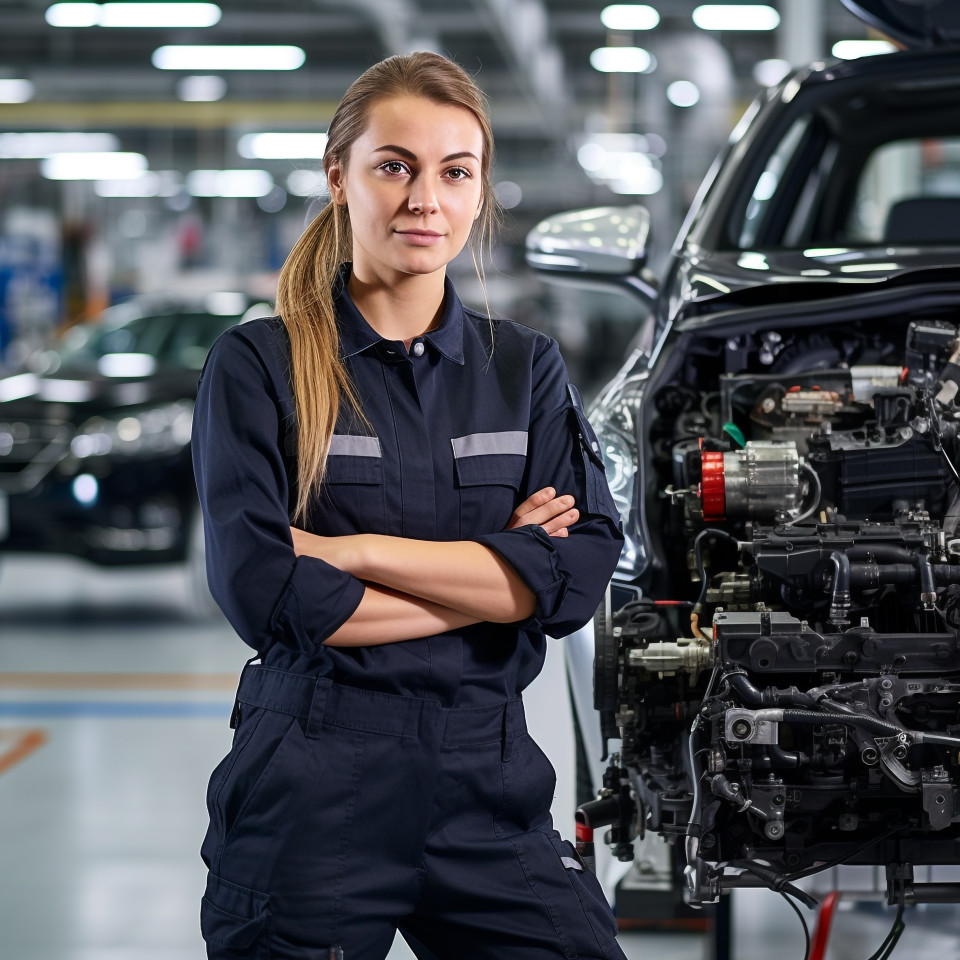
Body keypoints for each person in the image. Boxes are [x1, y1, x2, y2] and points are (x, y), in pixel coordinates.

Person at [192, 50, 626, 960]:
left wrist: (351, 554)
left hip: (489, 787)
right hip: (310, 792)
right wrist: (495, 572)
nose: (425, 198)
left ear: (478, 194)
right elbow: (266, 594)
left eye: (454, 172)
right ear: (338, 177)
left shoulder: (524, 368)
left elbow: (575, 580)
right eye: (394, 165)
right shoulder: (260, 368)